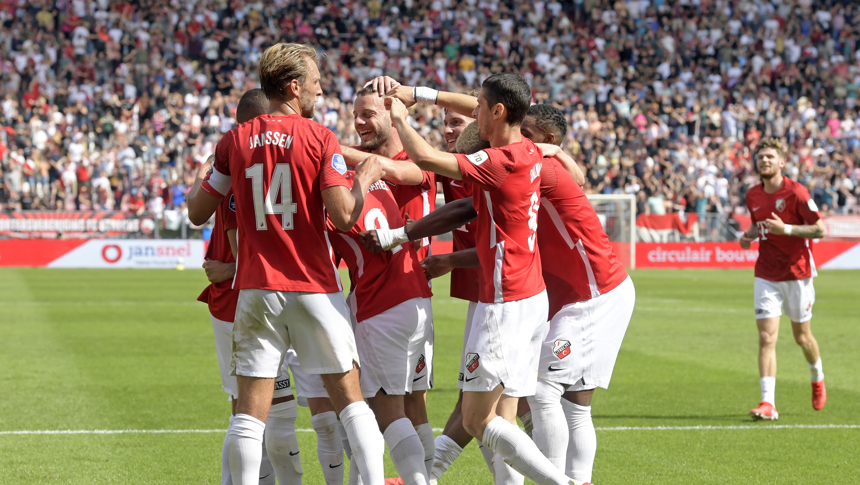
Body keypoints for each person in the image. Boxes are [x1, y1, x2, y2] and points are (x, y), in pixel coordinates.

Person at [187, 43, 386, 485]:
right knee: (351, 404)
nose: (321, 90)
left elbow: (198, 211)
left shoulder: (234, 140)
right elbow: (344, 216)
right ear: (294, 87)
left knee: (248, 415)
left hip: (256, 289)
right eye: (316, 82)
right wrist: (364, 179)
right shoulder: (319, 138)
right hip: (313, 286)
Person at [381, 76, 579, 485]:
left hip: (505, 303)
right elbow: (476, 112)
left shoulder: (499, 161)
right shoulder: (527, 151)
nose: (474, 112)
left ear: (498, 112)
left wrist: (399, 116)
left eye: (481, 107)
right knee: (504, 414)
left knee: (475, 419)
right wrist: (419, 94)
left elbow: (426, 157)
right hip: (529, 297)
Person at [191, 88, 288, 485]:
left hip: (244, 293)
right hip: (245, 296)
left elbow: (198, 208)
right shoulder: (244, 168)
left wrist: (227, 271)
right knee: (252, 409)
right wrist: (230, 271)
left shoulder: (232, 164)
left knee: (250, 407)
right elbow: (237, 244)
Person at [328, 168, 434, 485]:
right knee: (396, 407)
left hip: (380, 305)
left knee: (387, 413)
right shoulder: (377, 180)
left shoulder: (329, 198)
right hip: (417, 297)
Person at [740, 137, 827, 420]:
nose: (764, 160)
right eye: (760, 157)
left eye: (770, 157)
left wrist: (786, 229)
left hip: (797, 274)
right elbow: (758, 223)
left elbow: (819, 229)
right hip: (766, 274)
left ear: (781, 162)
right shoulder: (753, 195)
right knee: (766, 337)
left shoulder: (796, 192)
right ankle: (768, 403)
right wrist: (748, 237)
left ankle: (817, 377)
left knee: (802, 337)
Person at [341, 83, 437, 260]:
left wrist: (333, 149)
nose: (358, 122)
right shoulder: (351, 156)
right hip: (365, 277)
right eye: (355, 115)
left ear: (393, 115)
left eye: (368, 114)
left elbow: (398, 172)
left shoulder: (420, 157)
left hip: (414, 275)